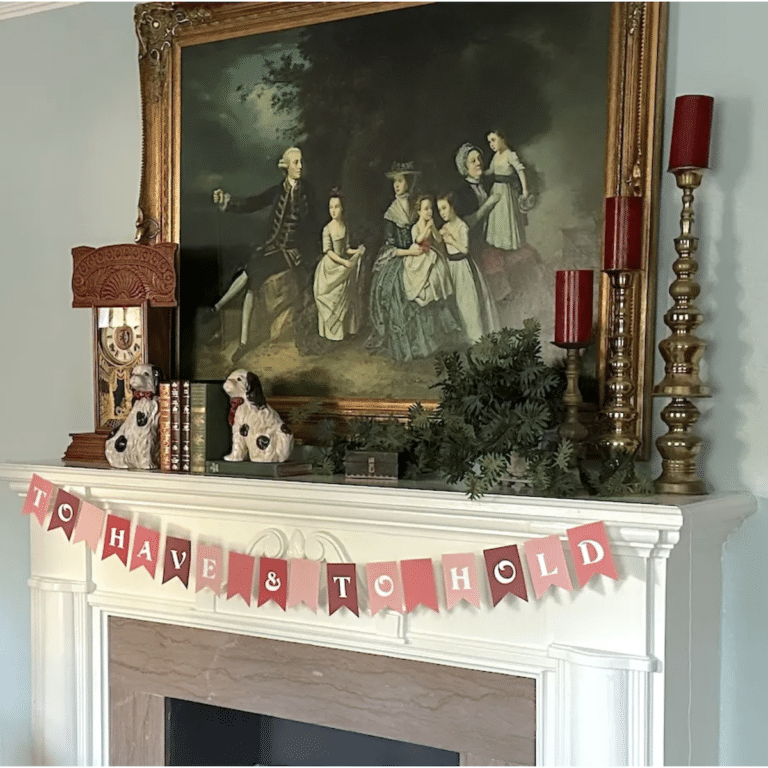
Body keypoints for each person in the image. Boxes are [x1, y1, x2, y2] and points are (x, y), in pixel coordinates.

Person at [203, 146, 317, 362]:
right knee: (249, 270)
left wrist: (308, 254)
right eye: (296, 163)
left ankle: (235, 331)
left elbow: (313, 226)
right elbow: (252, 203)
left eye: (301, 162)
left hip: (291, 254)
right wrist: (227, 202)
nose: (300, 166)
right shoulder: (277, 191)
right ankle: (221, 312)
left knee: (253, 271)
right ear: (286, 167)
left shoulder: (308, 193)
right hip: (272, 248)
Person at [366, 162, 461, 362]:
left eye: (400, 181)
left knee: (437, 276)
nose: (397, 186)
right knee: (393, 289)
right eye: (395, 182)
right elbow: (389, 247)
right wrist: (407, 251)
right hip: (401, 256)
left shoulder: (418, 206)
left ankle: (438, 340)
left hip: (423, 253)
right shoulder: (391, 214)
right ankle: (413, 345)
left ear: (409, 182)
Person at [436, 192, 500, 344]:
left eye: (445, 208)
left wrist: (451, 240)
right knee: (455, 302)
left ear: (453, 207)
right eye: (439, 210)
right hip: (451, 268)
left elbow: (465, 249)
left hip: (463, 268)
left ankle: (475, 337)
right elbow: (438, 240)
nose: (442, 213)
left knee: (468, 303)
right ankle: (460, 337)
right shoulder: (444, 227)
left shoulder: (462, 226)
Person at [451, 142, 511, 303]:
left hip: (495, 237)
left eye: (479, 159)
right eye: (473, 161)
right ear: (464, 167)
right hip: (474, 244)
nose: (478, 163)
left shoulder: (488, 184)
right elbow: (465, 225)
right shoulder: (460, 193)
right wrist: (488, 205)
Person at [313, 191, 366, 341]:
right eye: (331, 207)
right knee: (329, 296)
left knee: (347, 294)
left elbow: (346, 248)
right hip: (330, 268)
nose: (333, 210)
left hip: (342, 264)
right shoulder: (327, 229)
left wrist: (357, 251)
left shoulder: (344, 226)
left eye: (337, 207)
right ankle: (330, 334)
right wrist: (344, 262)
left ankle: (345, 331)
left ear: (342, 208)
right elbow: (328, 251)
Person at [484, 128, 535, 251]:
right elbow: (490, 171)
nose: (491, 144)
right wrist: (477, 174)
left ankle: (509, 245)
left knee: (506, 216)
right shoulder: (496, 156)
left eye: (493, 140)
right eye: (489, 142)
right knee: (497, 217)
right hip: (496, 190)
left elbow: (520, 170)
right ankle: (498, 244)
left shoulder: (510, 155)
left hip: (506, 191)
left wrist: (525, 190)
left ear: (502, 138)